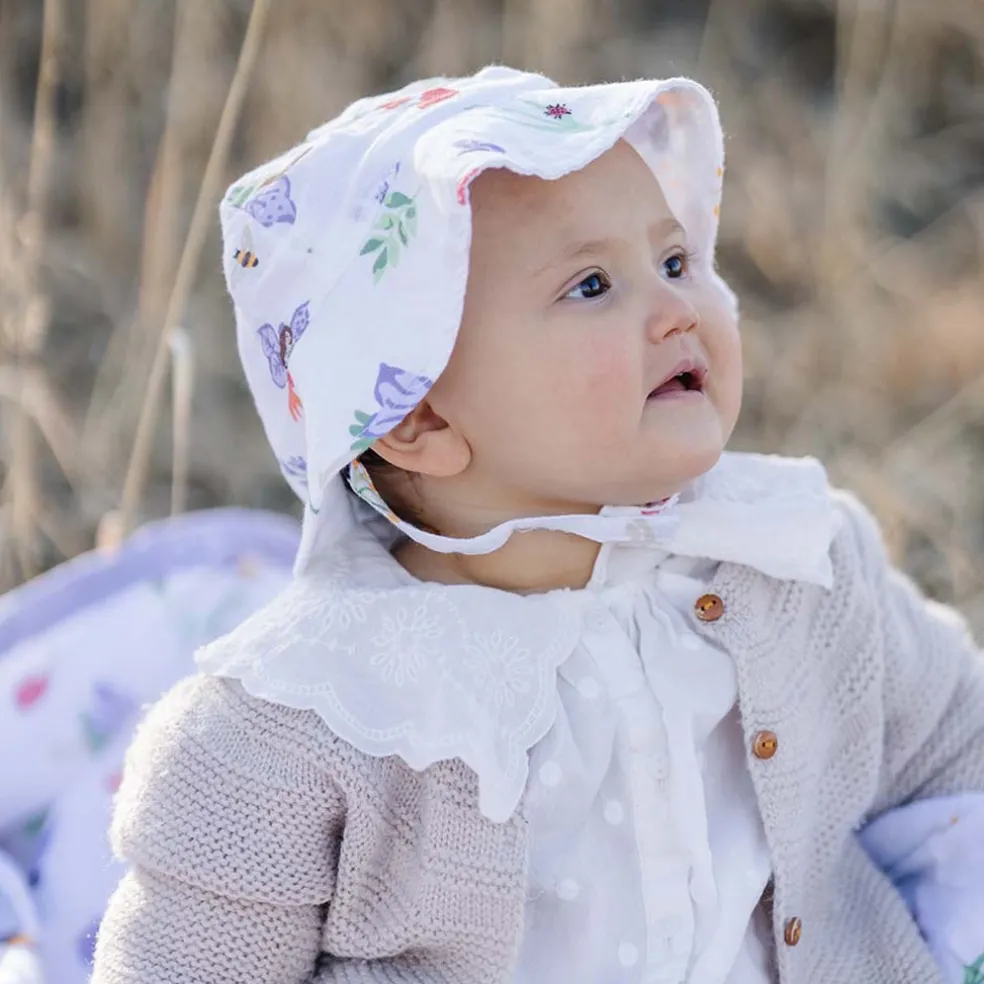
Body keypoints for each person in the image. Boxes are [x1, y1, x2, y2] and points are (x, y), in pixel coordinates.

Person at [90, 66, 984, 984]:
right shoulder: (303, 721)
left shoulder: (791, 561)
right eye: (592, 285)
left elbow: (956, 745)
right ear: (416, 418)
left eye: (675, 262)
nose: (678, 307)